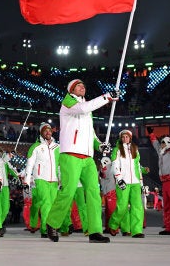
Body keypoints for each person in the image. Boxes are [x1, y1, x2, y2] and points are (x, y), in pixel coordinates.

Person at [45, 79, 118, 243]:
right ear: (71, 89)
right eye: (78, 86)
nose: (82, 87)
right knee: (68, 191)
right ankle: (52, 223)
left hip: (87, 158)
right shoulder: (68, 102)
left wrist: (99, 146)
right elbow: (84, 108)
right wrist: (107, 97)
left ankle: (94, 231)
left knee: (94, 194)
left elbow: (90, 134)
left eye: (84, 85)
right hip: (70, 155)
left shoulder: (87, 109)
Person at [24, 122, 60, 239]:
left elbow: (59, 165)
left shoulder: (57, 147)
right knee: (46, 203)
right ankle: (45, 229)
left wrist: (61, 179)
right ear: (41, 133)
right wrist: (27, 181)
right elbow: (29, 164)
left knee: (53, 205)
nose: (48, 132)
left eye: (49, 130)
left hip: (54, 179)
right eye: (45, 130)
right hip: (40, 178)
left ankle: (51, 227)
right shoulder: (36, 147)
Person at [107, 129, 144, 238]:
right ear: (120, 138)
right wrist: (119, 179)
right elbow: (114, 165)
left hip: (135, 182)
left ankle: (137, 231)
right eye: (123, 137)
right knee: (122, 207)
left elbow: (138, 167)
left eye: (127, 137)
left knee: (137, 207)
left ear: (130, 138)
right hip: (123, 182)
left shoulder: (135, 150)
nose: (125, 139)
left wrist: (141, 183)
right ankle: (113, 225)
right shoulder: (117, 150)